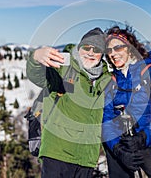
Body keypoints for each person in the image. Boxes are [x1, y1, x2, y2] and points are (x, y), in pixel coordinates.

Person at [26, 27, 111, 178]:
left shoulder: (105, 80)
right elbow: (39, 77)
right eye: (86, 47)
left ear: (101, 54)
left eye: (96, 49)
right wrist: (35, 57)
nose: (90, 52)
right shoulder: (64, 67)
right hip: (57, 153)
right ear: (79, 48)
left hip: (87, 158)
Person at [102, 25, 151, 178]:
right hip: (121, 145)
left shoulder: (149, 72)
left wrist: (144, 137)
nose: (113, 54)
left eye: (118, 48)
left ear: (129, 48)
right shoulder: (110, 81)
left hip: (150, 141)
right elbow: (106, 119)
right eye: (109, 51)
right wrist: (117, 149)